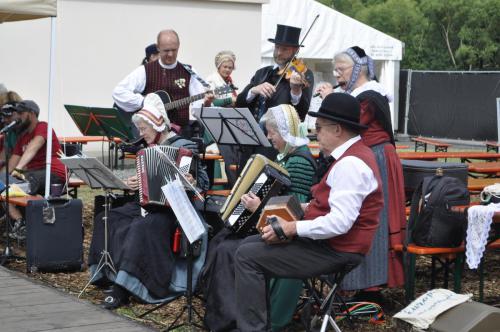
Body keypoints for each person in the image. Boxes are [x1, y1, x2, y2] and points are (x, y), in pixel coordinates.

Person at [232, 93, 384, 331]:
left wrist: (291, 227)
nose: (315, 133)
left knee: (247, 256)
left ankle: (254, 328)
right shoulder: (352, 156)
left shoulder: (350, 164)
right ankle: (259, 323)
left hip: (337, 249)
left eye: (319, 127)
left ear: (337, 129)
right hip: (334, 245)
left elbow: (340, 223)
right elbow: (334, 209)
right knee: (247, 246)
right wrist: (304, 208)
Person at [88, 92, 209, 309]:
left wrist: (191, 180)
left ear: (157, 125)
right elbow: (143, 180)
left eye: (144, 129)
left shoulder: (185, 147)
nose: (141, 134)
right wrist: (134, 183)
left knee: (141, 227)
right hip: (146, 204)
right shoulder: (145, 150)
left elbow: (202, 182)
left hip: (173, 209)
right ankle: (107, 275)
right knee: (107, 217)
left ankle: (124, 288)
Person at [202, 104, 317, 331]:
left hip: (286, 236)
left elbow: (293, 211)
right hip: (272, 228)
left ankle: (236, 318)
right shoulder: (288, 156)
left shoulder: (300, 162)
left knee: (228, 249)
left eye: (271, 132)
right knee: (221, 241)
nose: (268, 137)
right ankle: (227, 316)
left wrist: (258, 208)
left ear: (283, 132)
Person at [316, 46, 406, 301]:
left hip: (376, 158)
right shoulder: (360, 95)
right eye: (336, 70)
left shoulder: (368, 96)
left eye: (341, 69)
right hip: (370, 157)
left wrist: (330, 99)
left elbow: (348, 126)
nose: (337, 74)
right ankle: (363, 283)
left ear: (358, 69)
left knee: (371, 220)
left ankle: (371, 288)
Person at [113, 29, 214, 138]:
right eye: (166, 50)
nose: (170, 54)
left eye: (174, 50)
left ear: (179, 46)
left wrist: (206, 104)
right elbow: (118, 92)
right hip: (152, 136)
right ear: (158, 48)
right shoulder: (145, 70)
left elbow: (198, 104)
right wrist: (143, 102)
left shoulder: (189, 71)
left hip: (181, 134)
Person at [3, 100, 67, 241]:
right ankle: (21, 222)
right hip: (32, 175)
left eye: (21, 113)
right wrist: (3, 178)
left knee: (22, 183)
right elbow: (13, 162)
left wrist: (19, 169)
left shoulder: (43, 126)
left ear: (31, 114)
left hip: (53, 173)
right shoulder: (23, 137)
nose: (17, 116)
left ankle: (39, 226)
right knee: (3, 184)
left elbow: (34, 146)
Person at [235, 24, 314, 122]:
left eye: (285, 49)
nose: (279, 53)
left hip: (280, 135)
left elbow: (302, 112)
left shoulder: (304, 73)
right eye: (277, 47)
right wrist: (253, 90)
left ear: (296, 50)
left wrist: (295, 90)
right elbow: (239, 103)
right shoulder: (261, 73)